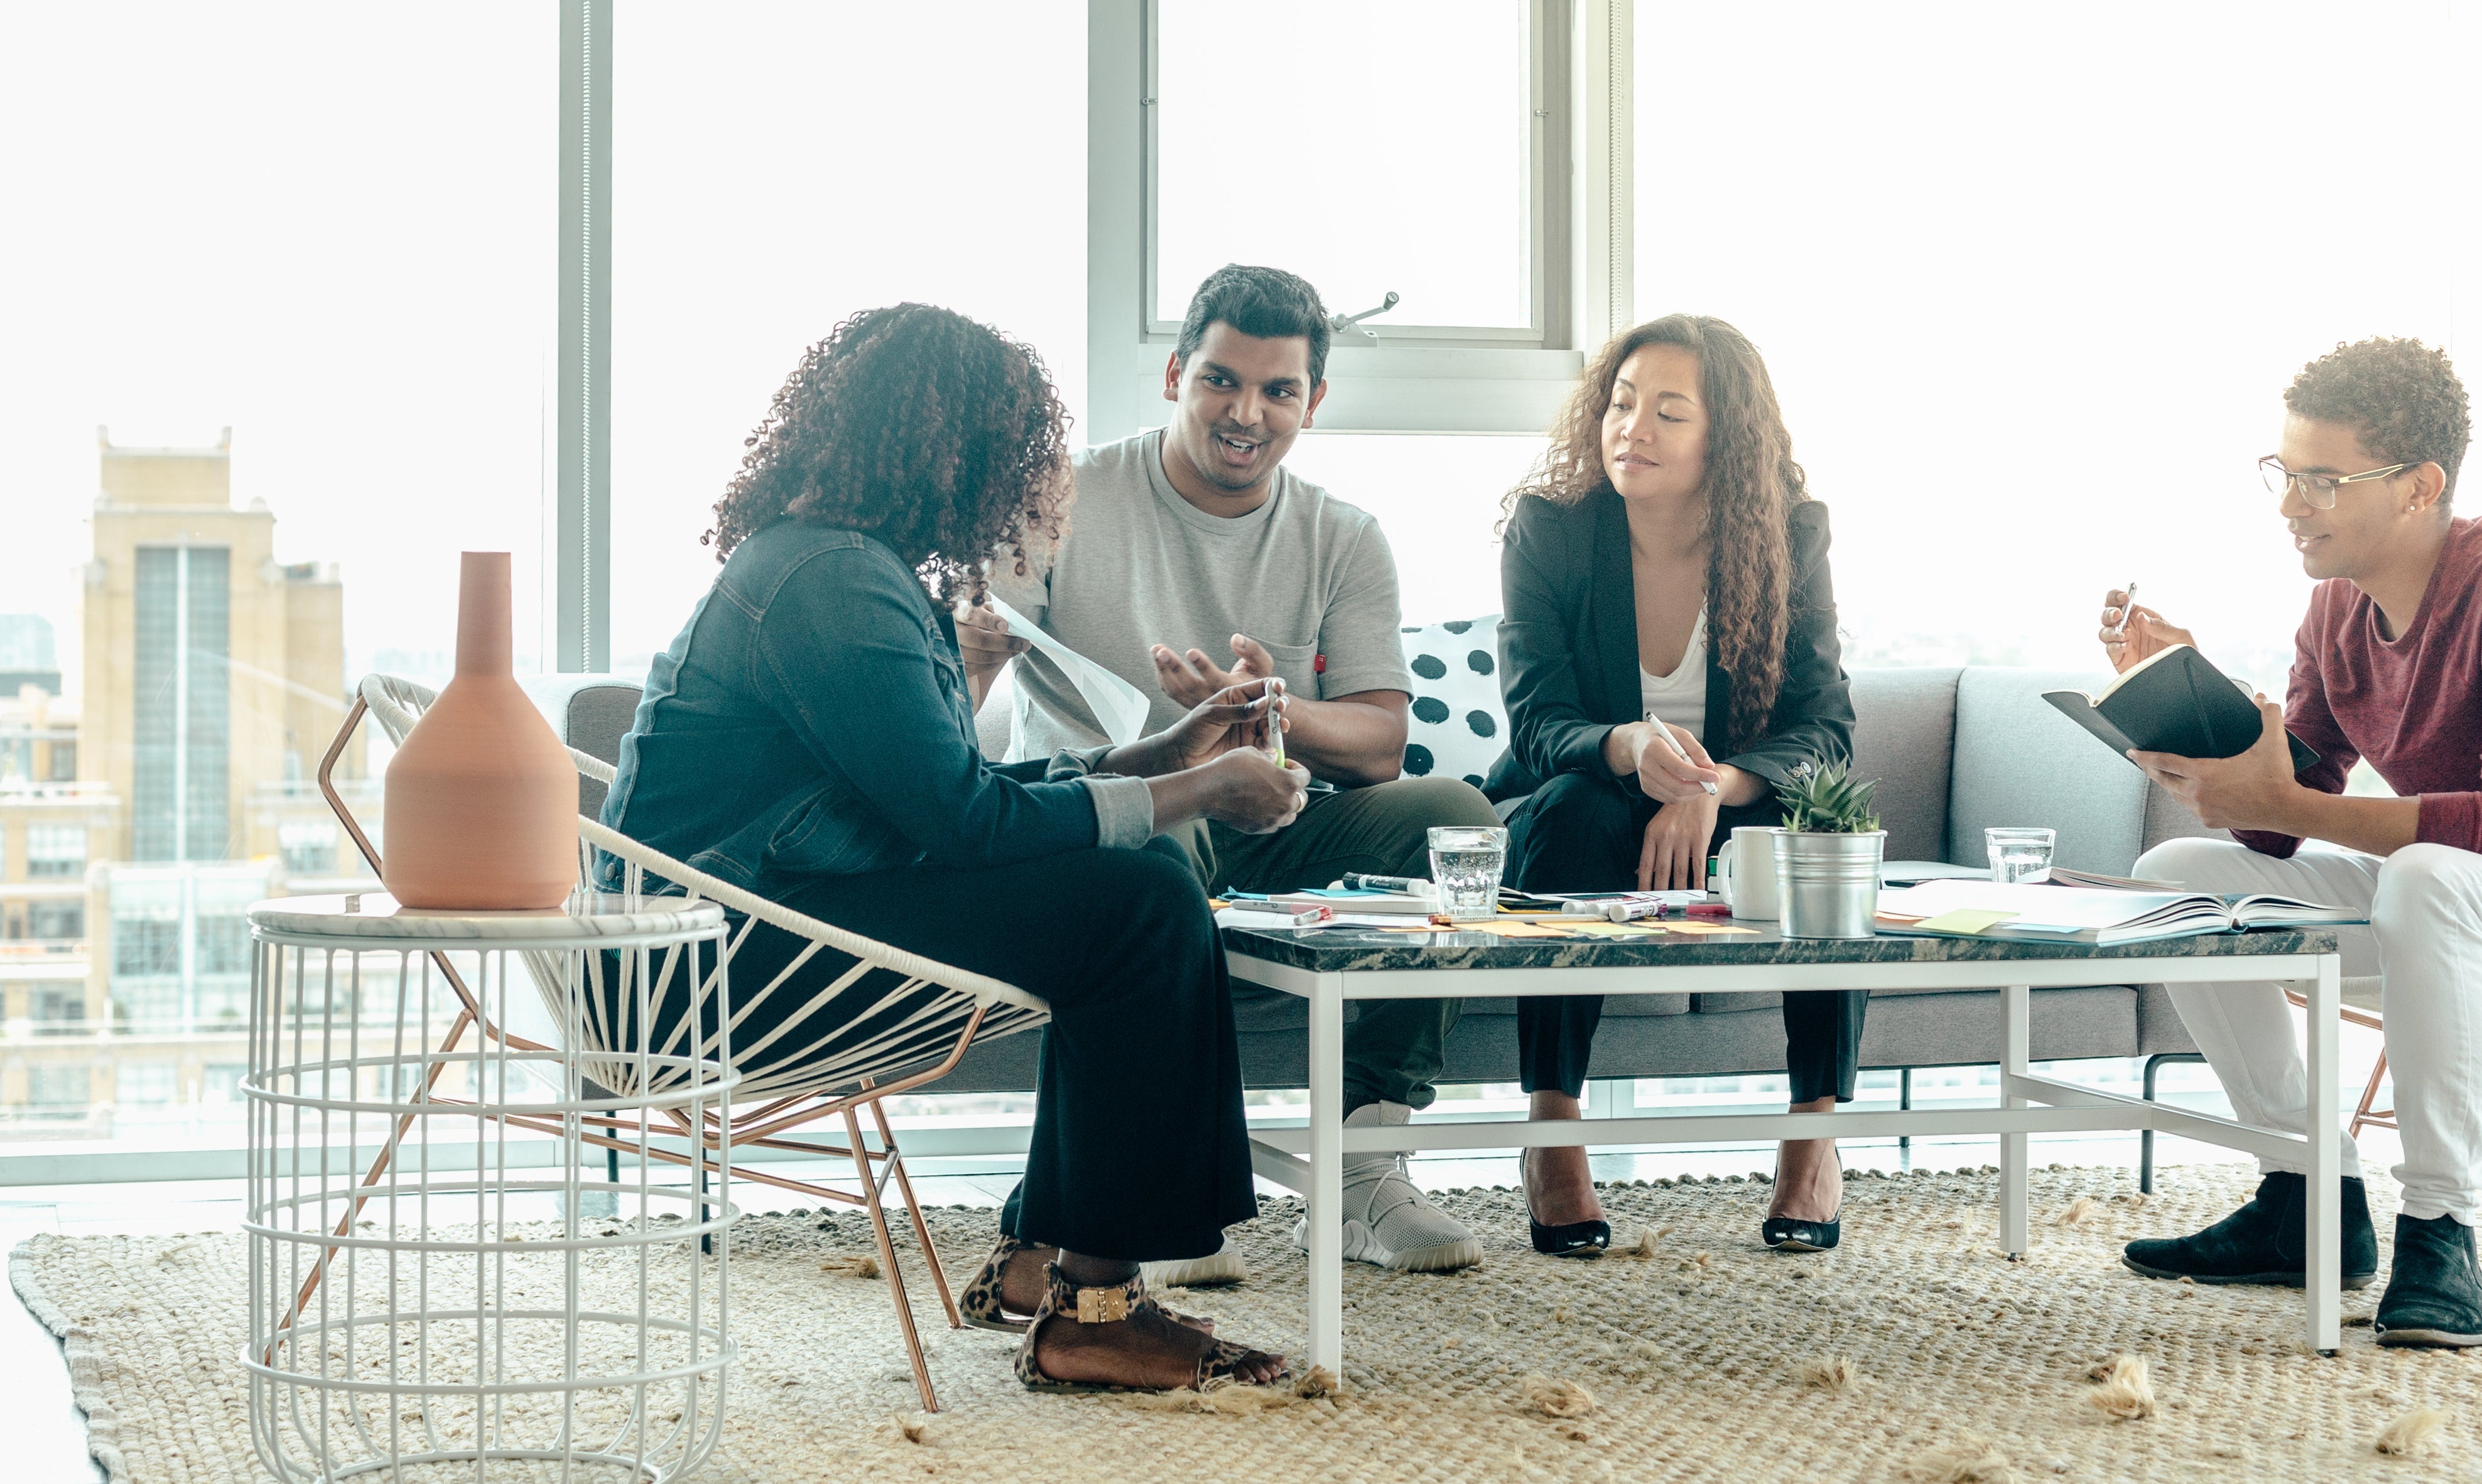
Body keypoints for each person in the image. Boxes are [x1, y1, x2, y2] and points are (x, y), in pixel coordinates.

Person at [599, 303, 1311, 1392]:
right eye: (1015, 452)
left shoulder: (839, 564)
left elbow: (949, 796)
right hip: (710, 974)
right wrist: (1200, 786)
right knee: (1144, 907)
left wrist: (1156, 755)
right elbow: (966, 825)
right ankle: (1093, 1317)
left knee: (1148, 873)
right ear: (956, 451)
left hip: (750, 930)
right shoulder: (830, 585)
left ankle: (1049, 1263)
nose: (1029, 483)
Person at [2106, 337, 2482, 1350]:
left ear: (2421, 485)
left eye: (2324, 480)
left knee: (2429, 876)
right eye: (2285, 474)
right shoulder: (2335, 609)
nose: (2292, 504)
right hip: (2464, 918)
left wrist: (2291, 807)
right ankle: (2309, 1192)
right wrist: (2184, 710)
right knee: (2177, 876)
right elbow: (2275, 822)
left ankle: (2443, 1229)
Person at [971, 264, 1498, 1275]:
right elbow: (964, 695)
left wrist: (1269, 711)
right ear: (1175, 374)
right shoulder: (1061, 499)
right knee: (1163, 835)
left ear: (1313, 401)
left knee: (1451, 811)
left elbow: (1383, 741)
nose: (1245, 412)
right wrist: (968, 651)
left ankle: (1364, 1172)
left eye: (1277, 390)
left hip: (1273, 813)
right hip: (1124, 813)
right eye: (1221, 380)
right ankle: (1139, 1191)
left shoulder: (1342, 537)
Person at [1488, 314, 1863, 1255]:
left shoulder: (1788, 535)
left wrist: (1717, 785)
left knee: (1825, 843)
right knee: (1566, 814)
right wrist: (1625, 745)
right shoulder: (1551, 531)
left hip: (1730, 811)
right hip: (1590, 793)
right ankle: (1553, 1128)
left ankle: (1813, 1131)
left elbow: (1826, 727)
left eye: (1667, 411)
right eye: (1619, 403)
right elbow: (1535, 722)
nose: (1631, 428)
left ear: (1723, 436)